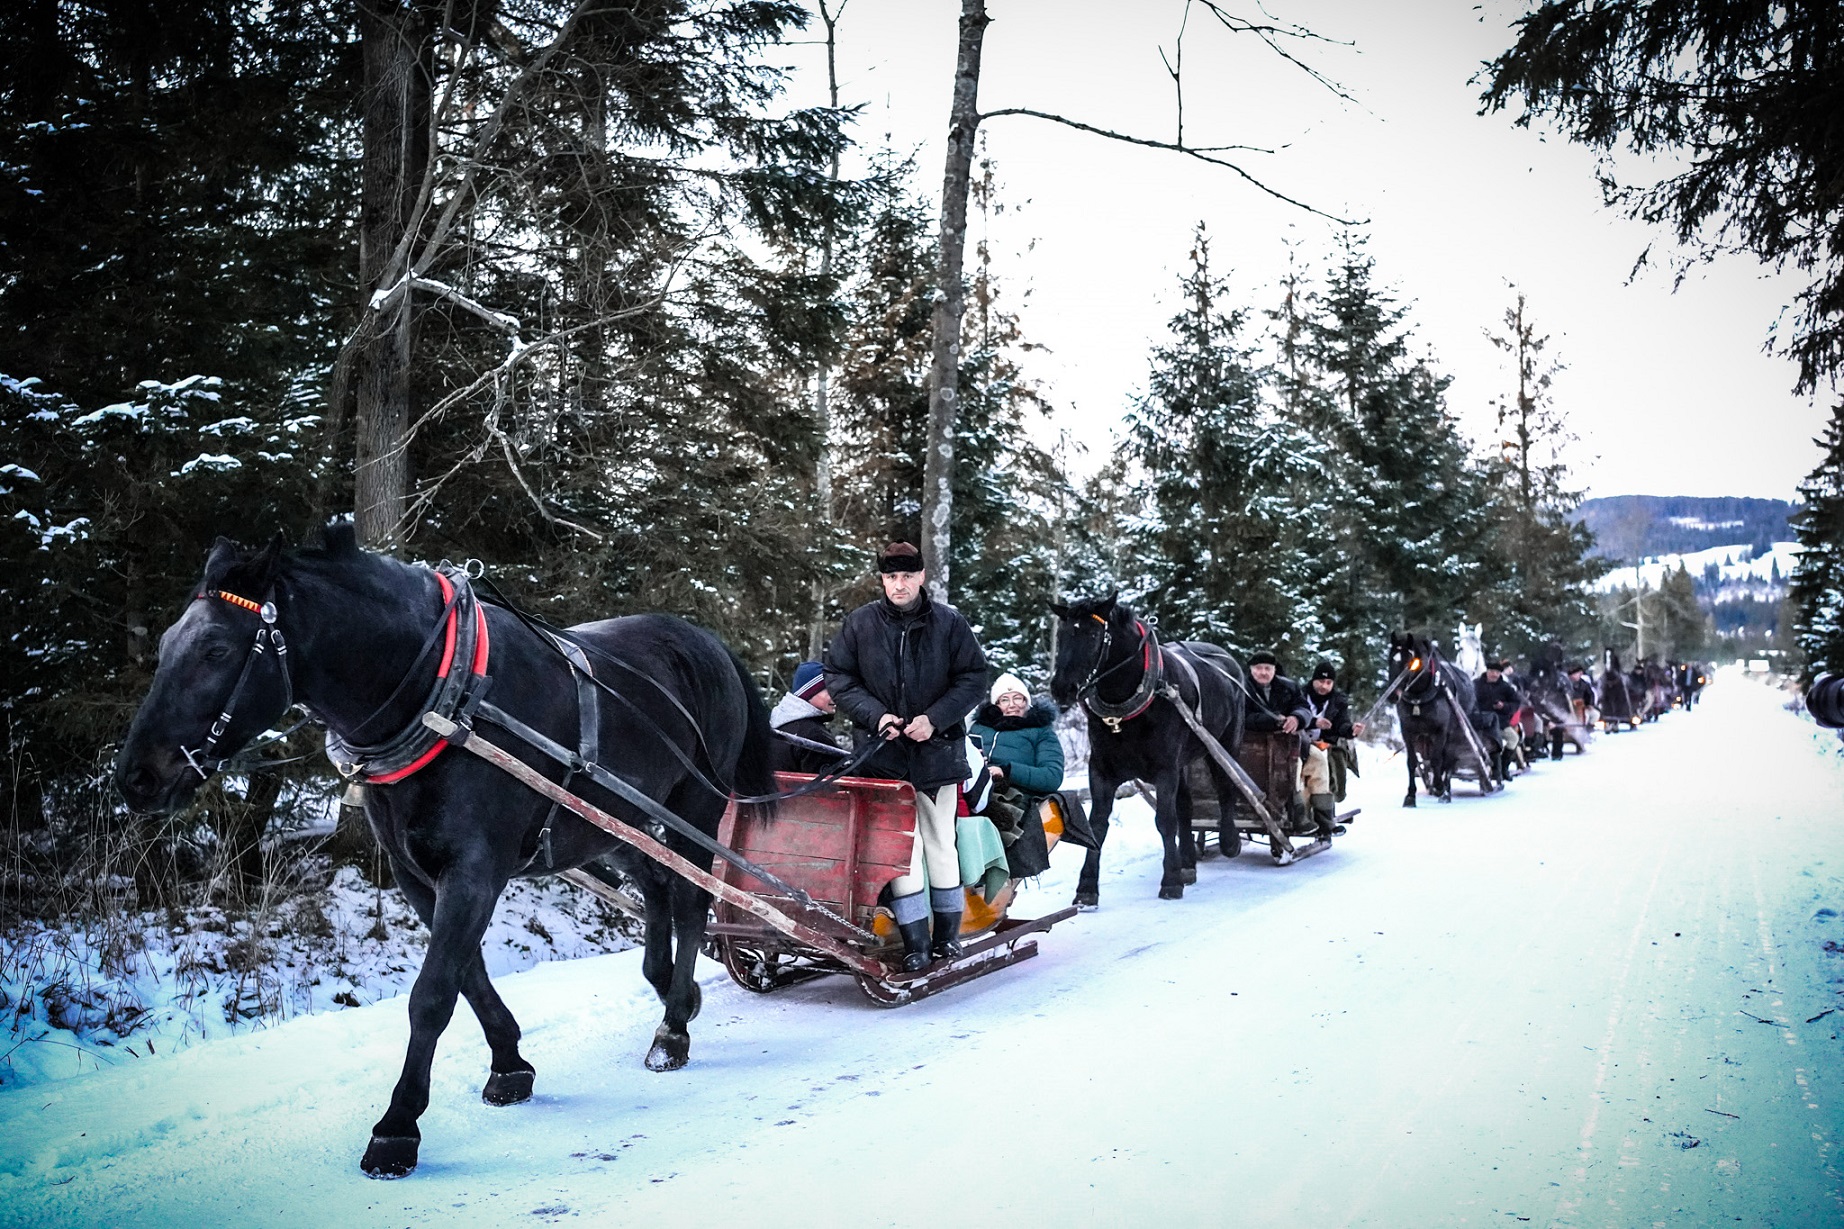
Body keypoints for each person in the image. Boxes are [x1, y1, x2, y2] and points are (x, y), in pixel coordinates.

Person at [824, 542, 989, 972]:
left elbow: (974, 678)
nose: (899, 585)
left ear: (920, 577)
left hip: (937, 753)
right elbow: (838, 676)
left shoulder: (950, 624)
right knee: (900, 851)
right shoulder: (859, 624)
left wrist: (934, 719)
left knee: (939, 842)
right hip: (882, 757)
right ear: (882, 580)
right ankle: (915, 941)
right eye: (891, 577)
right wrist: (876, 716)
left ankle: (946, 938)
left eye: (906, 576)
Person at [970, 671, 1065, 878]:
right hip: (974, 785)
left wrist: (1007, 770)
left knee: (988, 816)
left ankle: (985, 878)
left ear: (1027, 702)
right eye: (1004, 700)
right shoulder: (979, 729)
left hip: (1014, 793)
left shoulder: (1041, 732)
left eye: (1018, 698)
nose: (1012, 704)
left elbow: (1052, 776)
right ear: (996, 705)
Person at [1243, 651, 1325, 838]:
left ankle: (1324, 818)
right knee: (1292, 769)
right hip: (1254, 746)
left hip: (1293, 743)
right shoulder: (1240, 687)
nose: (1263, 673)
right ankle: (1298, 815)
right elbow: (1242, 716)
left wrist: (1296, 718)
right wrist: (1271, 721)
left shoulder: (1288, 687)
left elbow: (1304, 708)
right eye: (1258, 668)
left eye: (1267, 668)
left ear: (1274, 670)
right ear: (1251, 669)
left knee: (1319, 760)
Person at [1303, 661, 1363, 832]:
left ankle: (1325, 814)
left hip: (1325, 745)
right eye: (1321, 682)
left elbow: (1341, 724)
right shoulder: (1300, 695)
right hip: (1299, 742)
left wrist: (1351, 729)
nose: (1324, 686)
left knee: (1331, 763)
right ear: (1313, 681)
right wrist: (1315, 723)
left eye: (1328, 683)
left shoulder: (1338, 701)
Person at [769, 661, 844, 774]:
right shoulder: (814, 736)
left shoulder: (776, 726)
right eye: (828, 690)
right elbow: (833, 787)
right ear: (809, 693)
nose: (835, 696)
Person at [1472, 658, 1526, 781]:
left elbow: (1516, 703)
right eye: (1492, 671)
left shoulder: (1505, 687)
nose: (1494, 674)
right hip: (1478, 721)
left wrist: (1504, 706)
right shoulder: (1475, 684)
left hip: (1500, 722)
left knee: (1514, 738)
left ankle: (1503, 767)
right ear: (1487, 671)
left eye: (1497, 672)